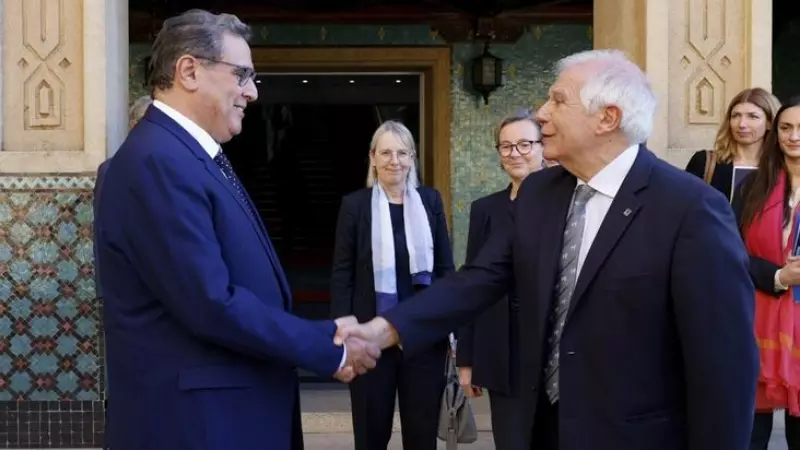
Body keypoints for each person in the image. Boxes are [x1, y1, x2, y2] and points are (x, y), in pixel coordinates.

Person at [336, 49, 758, 450]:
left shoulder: (690, 208)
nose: (541, 113)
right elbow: (479, 279)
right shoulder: (540, 193)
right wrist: (384, 329)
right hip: (543, 428)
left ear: (607, 118)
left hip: (635, 436)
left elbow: (724, 368)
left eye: (557, 101)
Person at [94, 10, 379, 450]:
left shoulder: (189, 155)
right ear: (189, 70)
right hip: (197, 426)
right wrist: (327, 345)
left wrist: (323, 335)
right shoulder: (157, 161)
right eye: (242, 74)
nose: (252, 91)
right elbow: (211, 302)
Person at [330, 120, 455, 450]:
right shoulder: (355, 205)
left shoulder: (429, 201)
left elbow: (444, 268)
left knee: (422, 434)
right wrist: (342, 333)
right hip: (370, 339)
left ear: (412, 158)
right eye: (385, 152)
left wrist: (453, 328)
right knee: (371, 434)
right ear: (372, 157)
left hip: (423, 337)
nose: (393, 160)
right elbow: (342, 273)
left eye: (402, 152)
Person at [455, 108, 544, 450]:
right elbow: (471, 286)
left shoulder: (568, 202)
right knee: (511, 441)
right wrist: (466, 359)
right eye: (506, 147)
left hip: (551, 346)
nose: (515, 153)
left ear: (541, 148)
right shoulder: (485, 209)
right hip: (501, 346)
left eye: (524, 144)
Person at [732, 96, 800, 450]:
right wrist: (779, 277)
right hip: (757, 315)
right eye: (786, 128)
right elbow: (732, 252)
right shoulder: (752, 188)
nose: (794, 136)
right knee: (750, 432)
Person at [685, 88, 780, 199]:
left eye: (752, 116)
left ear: (770, 122)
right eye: (736, 116)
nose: (742, 124)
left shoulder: (780, 167)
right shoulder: (705, 162)